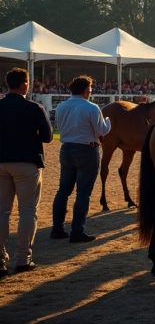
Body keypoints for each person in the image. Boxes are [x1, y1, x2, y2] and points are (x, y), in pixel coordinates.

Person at [0, 68, 53, 275]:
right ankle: (23, 257)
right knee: (27, 211)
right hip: (27, 163)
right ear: (24, 84)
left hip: (1, 161)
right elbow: (48, 137)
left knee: (2, 211)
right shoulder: (34, 107)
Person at [52, 75, 111, 244]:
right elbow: (101, 131)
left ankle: (57, 228)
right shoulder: (91, 107)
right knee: (83, 193)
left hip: (66, 148)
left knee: (63, 190)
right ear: (86, 90)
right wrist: (108, 122)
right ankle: (77, 231)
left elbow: (58, 125)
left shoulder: (61, 106)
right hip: (86, 149)